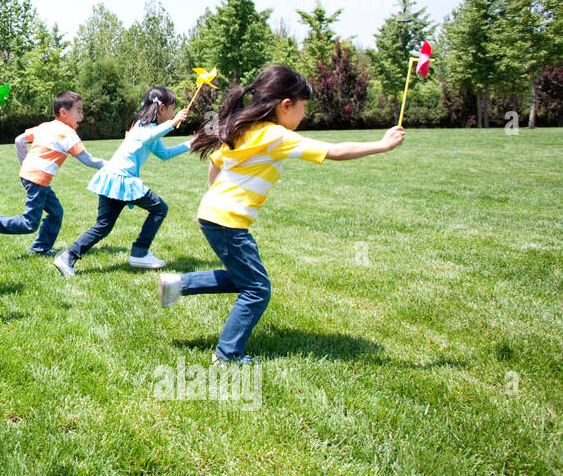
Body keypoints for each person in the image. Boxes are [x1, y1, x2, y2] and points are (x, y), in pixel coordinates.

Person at [158, 64, 405, 364]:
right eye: (303, 107)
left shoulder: (245, 128)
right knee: (257, 289)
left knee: (245, 278)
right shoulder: (275, 135)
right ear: (286, 105)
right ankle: (228, 353)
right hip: (227, 220)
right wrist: (382, 145)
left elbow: (216, 160)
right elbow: (334, 151)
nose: (305, 114)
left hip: (214, 214)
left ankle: (178, 285)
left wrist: (214, 195)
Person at [54, 86, 190, 276]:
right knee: (160, 208)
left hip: (114, 178)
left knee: (103, 226)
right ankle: (140, 252)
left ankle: (68, 257)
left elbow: (165, 154)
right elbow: (149, 136)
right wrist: (173, 123)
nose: (173, 113)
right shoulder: (144, 126)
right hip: (122, 179)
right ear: (161, 108)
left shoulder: (148, 128)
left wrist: (191, 143)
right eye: (172, 109)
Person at [0, 90, 103, 255]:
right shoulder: (68, 133)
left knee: (56, 212)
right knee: (29, 223)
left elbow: (19, 140)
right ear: (63, 112)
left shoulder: (45, 126)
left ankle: (39, 249)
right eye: (79, 110)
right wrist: (108, 165)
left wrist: (25, 164)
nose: (82, 116)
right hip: (37, 179)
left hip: (31, 175)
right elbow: (87, 160)